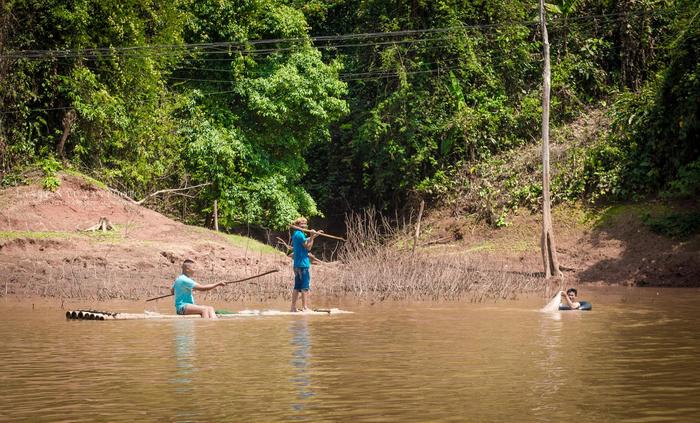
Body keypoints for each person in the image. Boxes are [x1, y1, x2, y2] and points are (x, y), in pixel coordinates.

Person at [290, 217, 322, 312]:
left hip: (296, 265)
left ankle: (293, 308)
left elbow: (304, 240)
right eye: (302, 224)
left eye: (305, 224)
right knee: (304, 287)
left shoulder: (296, 234)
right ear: (296, 225)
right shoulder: (300, 234)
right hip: (303, 265)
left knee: (297, 287)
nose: (304, 226)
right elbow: (308, 247)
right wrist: (312, 236)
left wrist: (315, 235)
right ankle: (305, 308)